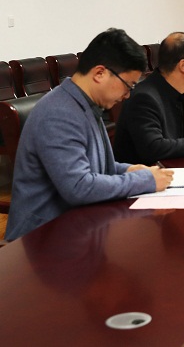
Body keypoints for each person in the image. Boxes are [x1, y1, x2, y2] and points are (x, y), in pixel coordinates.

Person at [5, 28, 174, 241]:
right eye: (128, 85)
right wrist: (145, 180)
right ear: (99, 73)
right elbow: (78, 186)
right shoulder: (59, 113)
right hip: (41, 239)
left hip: (75, 228)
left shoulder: (84, 104)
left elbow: (95, 167)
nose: (127, 95)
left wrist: (128, 169)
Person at [114, 32, 184, 165]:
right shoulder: (144, 97)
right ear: (183, 65)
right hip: (147, 173)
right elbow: (154, 148)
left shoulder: (175, 89)